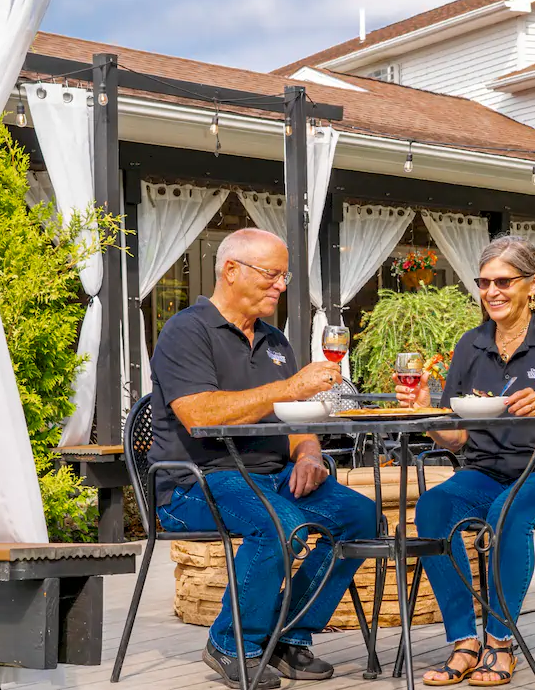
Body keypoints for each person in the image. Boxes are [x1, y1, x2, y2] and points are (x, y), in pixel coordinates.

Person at [148, 228, 377, 689]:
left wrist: (310, 452)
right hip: (197, 481)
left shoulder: (275, 340)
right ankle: (233, 642)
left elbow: (295, 419)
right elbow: (198, 415)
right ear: (231, 270)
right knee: (278, 524)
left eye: (283, 275)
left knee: (362, 518)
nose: (281, 285)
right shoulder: (186, 331)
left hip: (274, 476)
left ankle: (289, 635)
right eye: (272, 274)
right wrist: (289, 387)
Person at [395, 235, 535, 687]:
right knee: (433, 508)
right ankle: (465, 642)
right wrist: (428, 408)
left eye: (504, 281)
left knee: (508, 511)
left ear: (532, 285)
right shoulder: (471, 345)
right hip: (487, 471)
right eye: (484, 282)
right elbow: (454, 438)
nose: (492, 292)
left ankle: (501, 642)